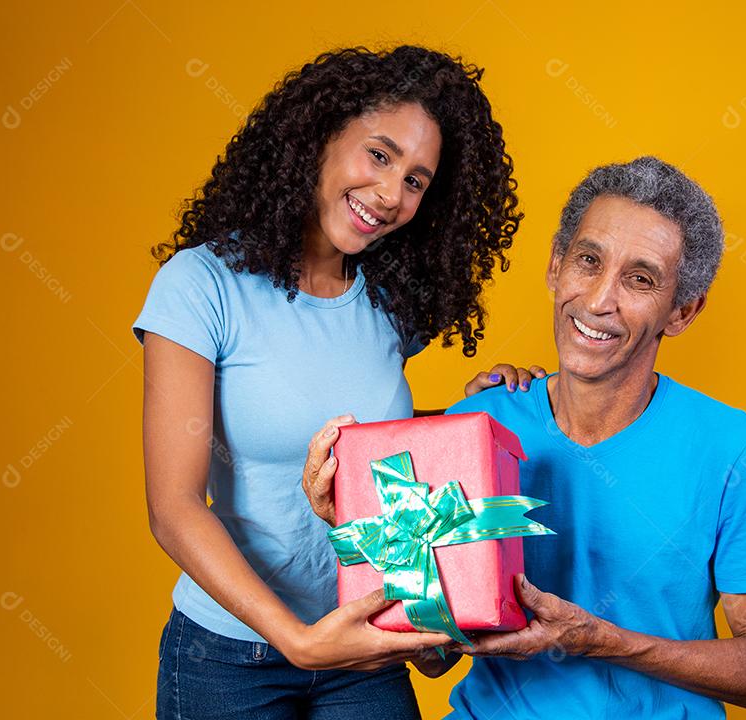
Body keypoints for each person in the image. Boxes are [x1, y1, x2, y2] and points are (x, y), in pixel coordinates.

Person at [305, 156, 746, 718]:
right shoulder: (478, 423)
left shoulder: (730, 448)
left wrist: (599, 639)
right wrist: (363, 524)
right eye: (587, 261)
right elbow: (435, 655)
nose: (597, 300)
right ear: (554, 267)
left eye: (639, 279)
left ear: (682, 312)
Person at [133, 45, 542, 720]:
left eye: (416, 180)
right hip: (232, 658)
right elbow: (174, 506)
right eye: (379, 155)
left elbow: (372, 452)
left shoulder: (388, 304)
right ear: (318, 138)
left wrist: (477, 418)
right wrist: (297, 641)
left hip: (366, 645)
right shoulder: (199, 287)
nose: (390, 195)